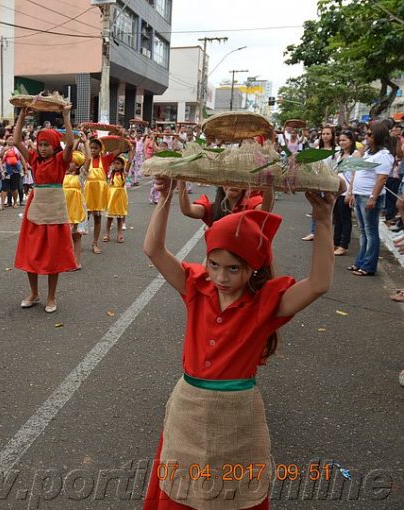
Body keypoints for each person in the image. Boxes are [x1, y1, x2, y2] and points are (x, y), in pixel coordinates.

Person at [142, 176, 338, 510]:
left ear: (253, 268)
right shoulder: (196, 287)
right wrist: (165, 198)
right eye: (214, 264)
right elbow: (154, 250)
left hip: (238, 415)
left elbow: (319, 283)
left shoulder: (266, 303)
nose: (221, 277)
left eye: (233, 268)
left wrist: (323, 222)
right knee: (179, 491)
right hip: (188, 408)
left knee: (233, 495)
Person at [12, 106, 78, 313]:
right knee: (30, 253)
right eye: (40, 144)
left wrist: (66, 117)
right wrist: (22, 116)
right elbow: (16, 141)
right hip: (35, 210)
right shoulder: (34, 159)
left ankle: (51, 297)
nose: (42, 148)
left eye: (46, 145)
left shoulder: (61, 160)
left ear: (54, 145)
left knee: (53, 256)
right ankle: (34, 293)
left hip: (55, 211)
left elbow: (70, 143)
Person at [348, 122, 393, 276]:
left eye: (369, 134)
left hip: (369, 196)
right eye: (366, 134)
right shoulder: (369, 153)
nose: (366, 137)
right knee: (363, 231)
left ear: (378, 136)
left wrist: (373, 197)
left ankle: (368, 265)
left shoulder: (384, 155)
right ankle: (360, 262)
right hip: (360, 194)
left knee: (370, 232)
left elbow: (382, 178)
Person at [84, 136, 122, 254]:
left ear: (100, 149)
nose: (93, 150)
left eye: (95, 148)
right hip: (88, 192)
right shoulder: (86, 159)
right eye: (91, 148)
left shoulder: (105, 159)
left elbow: (119, 149)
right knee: (83, 218)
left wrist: (121, 136)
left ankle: (95, 243)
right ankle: (77, 242)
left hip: (99, 193)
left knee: (97, 218)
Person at [178, 183, 273, 226]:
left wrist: (269, 182)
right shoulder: (213, 208)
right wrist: (181, 180)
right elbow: (187, 210)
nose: (233, 184)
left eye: (238, 181)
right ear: (221, 184)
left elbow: (265, 210)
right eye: (228, 180)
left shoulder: (251, 205)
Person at [333, 130, 360, 255]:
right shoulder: (339, 154)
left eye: (344, 140)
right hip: (337, 190)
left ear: (351, 140)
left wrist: (351, 192)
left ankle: (343, 245)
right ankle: (335, 242)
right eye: (340, 140)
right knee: (337, 218)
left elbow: (355, 174)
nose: (342, 142)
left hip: (347, 190)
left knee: (345, 218)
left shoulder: (355, 154)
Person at [63, 143, 90, 270]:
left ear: (78, 165)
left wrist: (85, 142)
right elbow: (67, 152)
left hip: (77, 210)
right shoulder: (63, 174)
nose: (68, 164)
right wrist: (76, 141)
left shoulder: (81, 177)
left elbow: (88, 159)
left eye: (71, 162)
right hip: (64, 209)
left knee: (76, 237)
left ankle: (76, 262)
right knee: (65, 237)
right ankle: (65, 260)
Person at [104, 154, 130, 243]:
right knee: (109, 217)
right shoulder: (110, 174)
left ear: (122, 165)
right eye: (114, 163)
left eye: (118, 164)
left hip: (120, 197)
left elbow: (129, 163)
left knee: (119, 217)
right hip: (111, 197)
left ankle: (119, 234)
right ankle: (107, 234)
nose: (116, 165)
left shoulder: (123, 174)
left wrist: (132, 151)